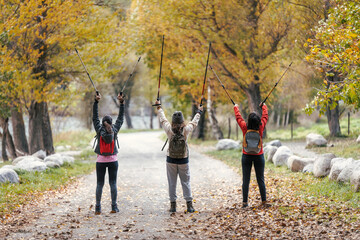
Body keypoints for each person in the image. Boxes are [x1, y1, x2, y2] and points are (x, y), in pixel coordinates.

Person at [155, 99, 203, 213]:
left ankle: (173, 205)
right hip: (183, 159)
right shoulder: (186, 130)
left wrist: (159, 107)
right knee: (185, 182)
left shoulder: (168, 129)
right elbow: (194, 122)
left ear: (173, 121)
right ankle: (189, 205)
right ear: (182, 121)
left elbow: (163, 119)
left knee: (172, 183)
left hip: (171, 159)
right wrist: (199, 112)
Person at [93, 92, 124, 215]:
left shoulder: (99, 129)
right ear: (111, 123)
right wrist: (121, 103)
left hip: (100, 161)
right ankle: (114, 207)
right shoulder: (114, 130)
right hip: (113, 161)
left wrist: (96, 102)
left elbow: (94, 117)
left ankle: (98, 208)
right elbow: (121, 118)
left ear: (102, 122)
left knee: (99, 183)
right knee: (113, 183)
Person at [234, 103, 269, 208]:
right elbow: (265, 115)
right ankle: (263, 201)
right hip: (259, 155)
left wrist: (236, 107)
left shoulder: (245, 127)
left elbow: (238, 117)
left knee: (246, 179)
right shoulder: (261, 127)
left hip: (246, 156)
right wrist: (263, 106)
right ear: (258, 121)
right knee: (260, 179)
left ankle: (245, 202)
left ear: (248, 120)